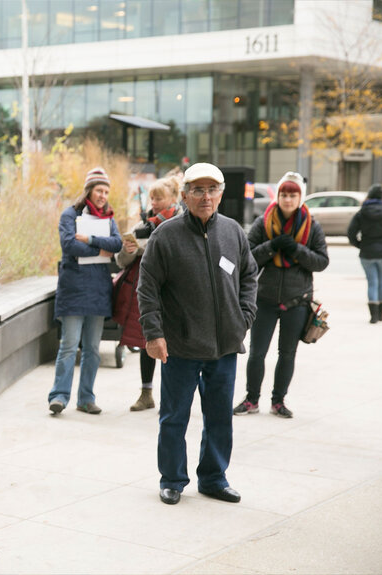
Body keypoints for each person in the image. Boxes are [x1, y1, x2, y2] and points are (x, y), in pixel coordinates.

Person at [137, 162, 258, 506]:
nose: (205, 197)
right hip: (180, 345)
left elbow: (250, 275)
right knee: (174, 417)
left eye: (212, 190)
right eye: (198, 191)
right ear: (185, 196)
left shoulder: (233, 232)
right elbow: (147, 288)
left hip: (224, 346)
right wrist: (153, 333)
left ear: (220, 195)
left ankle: (214, 478)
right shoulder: (167, 235)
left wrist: (244, 316)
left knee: (219, 417)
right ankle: (172, 479)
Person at [234, 172, 329, 419]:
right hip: (264, 299)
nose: (287, 199)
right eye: (284, 194)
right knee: (256, 353)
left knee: (287, 354)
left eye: (293, 194)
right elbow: (248, 257)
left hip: (297, 300)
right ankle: (251, 399)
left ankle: (278, 401)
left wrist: (295, 249)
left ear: (300, 197)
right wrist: (272, 245)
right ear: (278, 196)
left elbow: (321, 262)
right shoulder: (263, 222)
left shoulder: (312, 226)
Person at [48, 167, 123, 416]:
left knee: (92, 349)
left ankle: (86, 398)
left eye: (106, 191)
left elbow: (118, 244)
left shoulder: (108, 218)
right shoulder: (70, 214)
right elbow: (69, 244)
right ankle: (59, 396)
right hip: (73, 289)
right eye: (99, 190)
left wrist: (90, 240)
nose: (103, 195)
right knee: (69, 345)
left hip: (98, 291)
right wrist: (101, 251)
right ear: (89, 190)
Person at [115, 177, 182, 412]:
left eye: (159, 198)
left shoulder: (183, 223)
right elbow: (121, 262)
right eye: (152, 198)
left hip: (175, 294)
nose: (154, 203)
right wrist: (128, 250)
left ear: (173, 199)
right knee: (147, 342)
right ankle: (146, 394)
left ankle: (173, 397)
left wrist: (143, 249)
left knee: (174, 345)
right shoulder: (142, 225)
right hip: (148, 293)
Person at [347, 184, 382, 323]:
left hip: (367, 252)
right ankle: (381, 314)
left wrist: (359, 244)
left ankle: (373, 316)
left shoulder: (362, 212)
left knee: (372, 282)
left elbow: (351, 233)